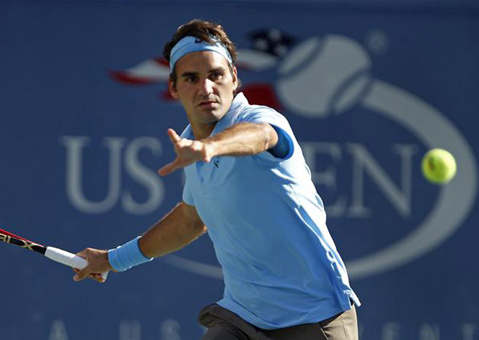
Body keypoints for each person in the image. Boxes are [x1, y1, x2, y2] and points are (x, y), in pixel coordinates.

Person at [72, 19, 361, 340]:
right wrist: (112, 260)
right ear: (173, 87)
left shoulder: (260, 120)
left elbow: (261, 137)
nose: (206, 88)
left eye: (216, 75)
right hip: (243, 316)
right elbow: (189, 221)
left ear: (234, 78)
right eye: (191, 78)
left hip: (315, 315)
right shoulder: (190, 146)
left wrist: (209, 147)